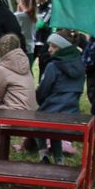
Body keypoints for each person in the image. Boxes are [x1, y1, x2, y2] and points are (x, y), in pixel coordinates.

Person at [36, 30, 85, 164]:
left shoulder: (53, 66)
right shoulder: (80, 64)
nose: (49, 49)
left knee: (39, 121)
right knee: (55, 125)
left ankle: (43, 154)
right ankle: (59, 159)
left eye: (54, 46)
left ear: (63, 48)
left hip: (51, 111)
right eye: (49, 45)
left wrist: (40, 100)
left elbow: (43, 90)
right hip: (73, 113)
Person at [33, 0, 53, 78]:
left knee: (43, 64)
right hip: (35, 39)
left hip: (45, 39)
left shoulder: (50, 7)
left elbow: (41, 24)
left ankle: (42, 82)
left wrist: (36, 23)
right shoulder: (37, 6)